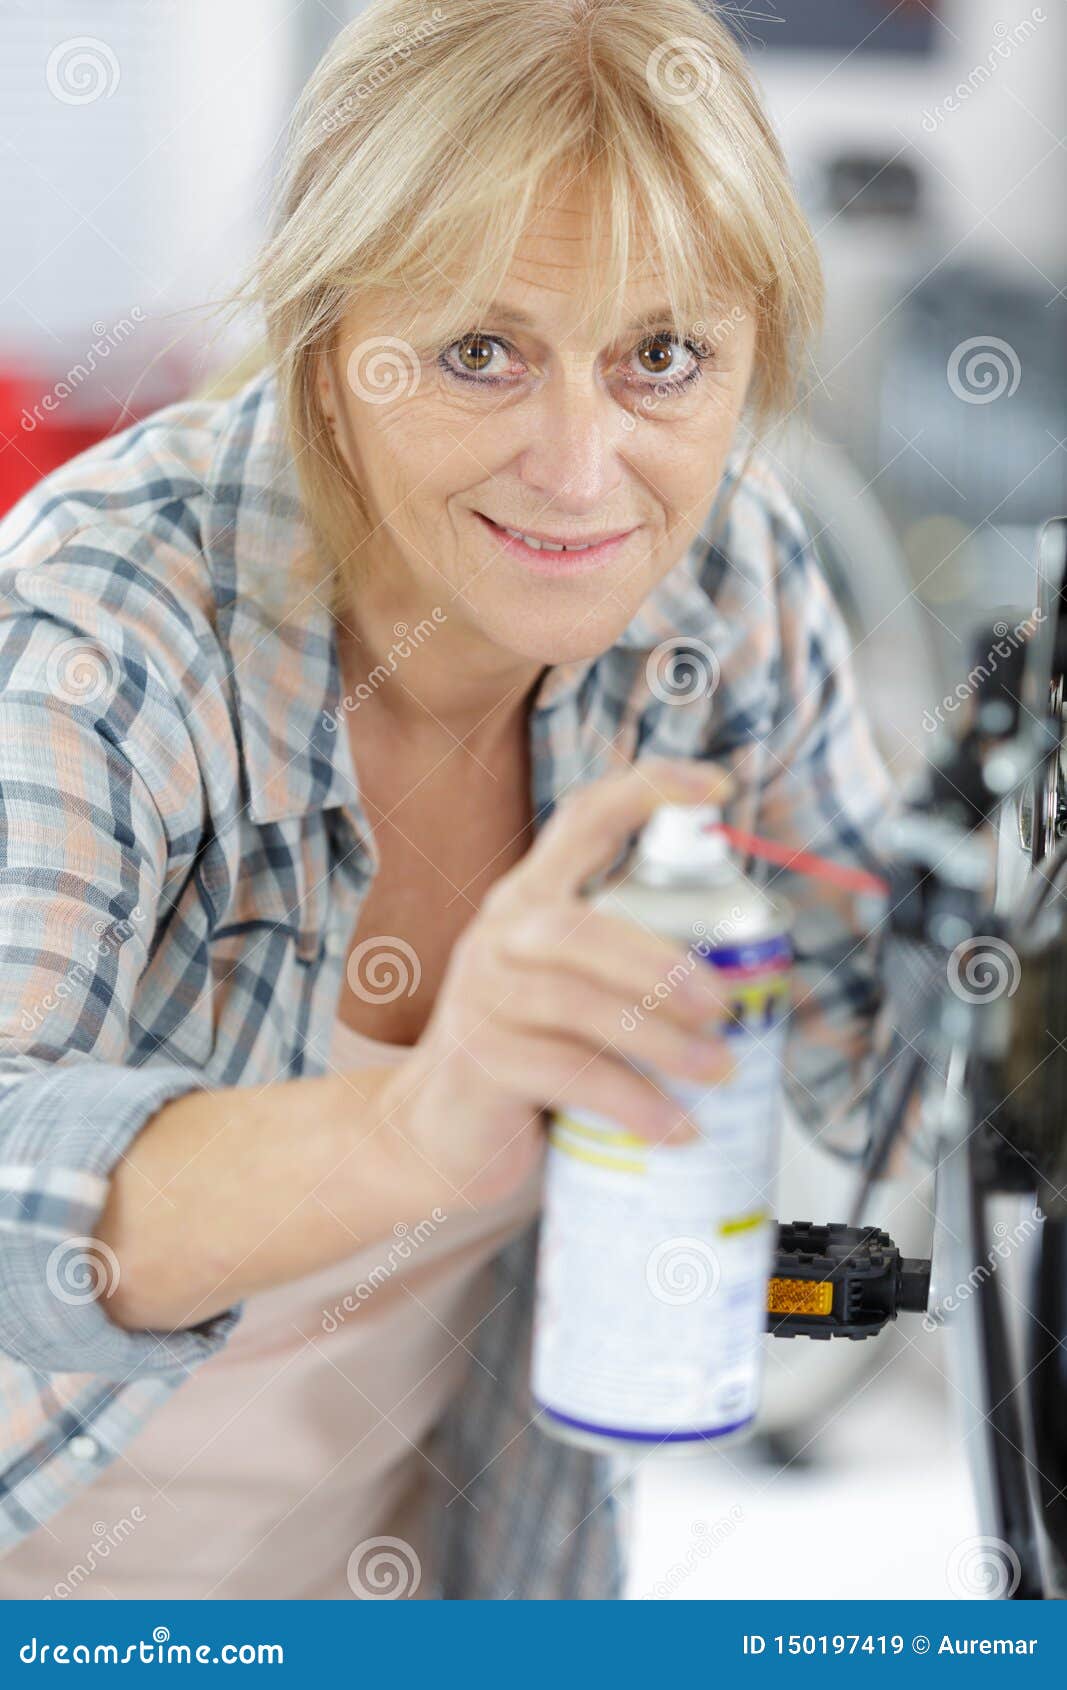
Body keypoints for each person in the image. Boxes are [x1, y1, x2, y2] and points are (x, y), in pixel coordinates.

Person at [0, 0, 900, 1600]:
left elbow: (896, 1061)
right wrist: (420, 1119)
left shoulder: (730, 586)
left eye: (664, 356)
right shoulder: (108, 618)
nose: (578, 468)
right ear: (329, 347)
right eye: (482, 352)